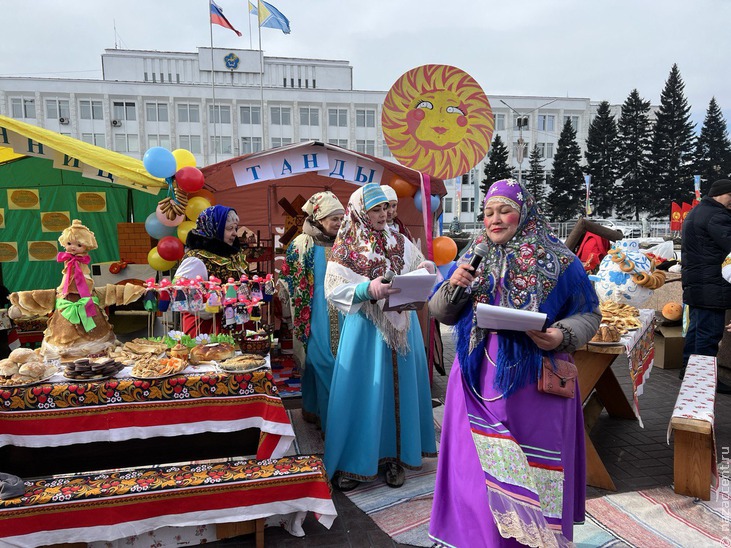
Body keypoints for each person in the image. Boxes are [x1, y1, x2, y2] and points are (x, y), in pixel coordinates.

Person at [428, 179, 601, 547]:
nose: (495, 219)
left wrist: (561, 335)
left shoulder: (561, 260)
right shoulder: (472, 254)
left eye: (505, 210)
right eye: (488, 212)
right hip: (476, 377)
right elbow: (440, 312)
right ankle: (480, 538)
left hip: (533, 384)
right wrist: (454, 285)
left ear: (524, 213)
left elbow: (589, 315)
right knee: (475, 469)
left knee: (529, 469)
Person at [324, 183, 437, 491]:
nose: (384, 213)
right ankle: (353, 462)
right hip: (365, 332)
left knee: (397, 393)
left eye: (387, 207)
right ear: (360, 211)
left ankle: (395, 458)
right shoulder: (345, 247)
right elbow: (333, 291)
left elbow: (417, 272)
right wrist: (365, 289)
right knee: (363, 392)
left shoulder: (400, 241)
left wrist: (427, 269)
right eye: (376, 209)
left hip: (402, 332)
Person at [279, 191, 345, 431]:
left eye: (341, 218)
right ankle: (328, 420)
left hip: (344, 311)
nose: (339, 223)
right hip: (313, 312)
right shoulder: (301, 244)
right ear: (319, 218)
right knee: (319, 361)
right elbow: (286, 276)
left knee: (338, 363)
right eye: (333, 218)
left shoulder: (346, 243)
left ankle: (329, 417)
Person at [680, 178, 731, 394]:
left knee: (696, 331)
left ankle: (688, 372)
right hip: (712, 286)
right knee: (708, 335)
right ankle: (703, 380)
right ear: (723, 194)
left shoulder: (698, 211)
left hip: (698, 284)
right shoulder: (717, 216)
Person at [174, 205, 249, 335]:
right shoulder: (197, 259)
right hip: (205, 329)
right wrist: (208, 308)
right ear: (214, 229)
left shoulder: (231, 256)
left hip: (231, 326)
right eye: (229, 229)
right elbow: (178, 293)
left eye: (235, 228)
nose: (235, 233)